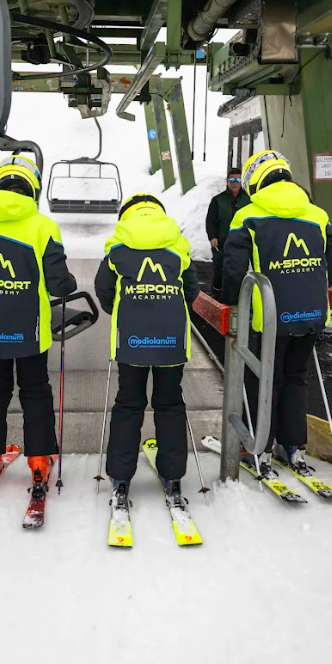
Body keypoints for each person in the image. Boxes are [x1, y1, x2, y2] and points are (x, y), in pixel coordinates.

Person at [0, 155, 76, 496]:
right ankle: (38, 461)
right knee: (35, 391)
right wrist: (69, 282)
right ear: (32, 188)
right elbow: (58, 284)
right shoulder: (43, 227)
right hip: (30, 333)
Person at [222, 151, 332, 476]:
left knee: (263, 378)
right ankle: (293, 447)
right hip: (311, 314)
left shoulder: (247, 215)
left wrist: (234, 305)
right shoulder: (317, 214)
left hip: (270, 316)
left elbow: (233, 270)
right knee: (296, 377)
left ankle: (258, 446)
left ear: (255, 181)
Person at [94, 193, 199, 510]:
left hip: (131, 340)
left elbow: (103, 288)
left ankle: (120, 476)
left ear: (126, 215)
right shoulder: (178, 244)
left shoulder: (118, 245)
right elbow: (191, 290)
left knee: (128, 403)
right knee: (170, 403)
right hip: (171, 340)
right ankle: (173, 475)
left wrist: (123, 310)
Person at [205, 168, 250, 299]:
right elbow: (211, 221)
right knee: (219, 270)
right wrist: (213, 237)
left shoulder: (248, 200)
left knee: (239, 269)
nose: (235, 183)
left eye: (238, 180)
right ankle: (216, 293)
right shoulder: (218, 200)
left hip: (242, 241)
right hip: (222, 241)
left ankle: (237, 297)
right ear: (227, 181)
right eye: (232, 180)